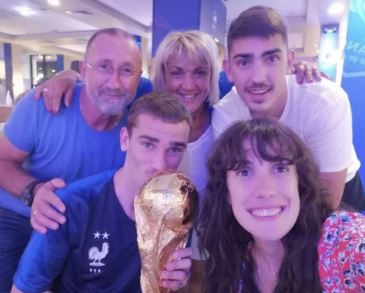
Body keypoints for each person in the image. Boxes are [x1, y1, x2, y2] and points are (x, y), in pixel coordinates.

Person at [0, 28, 142, 291]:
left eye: (127, 70)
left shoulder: (133, 130)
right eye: (103, 67)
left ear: (139, 78)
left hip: (77, 226)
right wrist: (35, 191)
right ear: (84, 70)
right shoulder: (41, 105)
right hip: (16, 217)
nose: (115, 82)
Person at [12, 92, 193, 292]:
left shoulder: (180, 208)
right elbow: (25, 289)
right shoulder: (71, 205)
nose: (160, 164)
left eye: (175, 149)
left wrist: (177, 284)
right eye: (148, 144)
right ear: (125, 140)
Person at [212, 6, 364, 211]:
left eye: (272, 59)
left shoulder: (324, 101)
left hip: (334, 192)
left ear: (289, 61)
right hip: (267, 196)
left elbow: (327, 199)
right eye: (244, 62)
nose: (258, 77)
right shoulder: (226, 114)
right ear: (229, 69)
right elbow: (235, 188)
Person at [198, 118, 365, 293]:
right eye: (244, 172)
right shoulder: (232, 266)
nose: (266, 190)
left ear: (299, 183)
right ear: (227, 193)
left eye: (280, 169)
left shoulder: (342, 241)